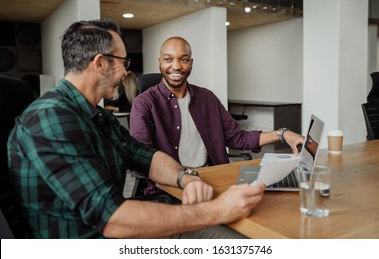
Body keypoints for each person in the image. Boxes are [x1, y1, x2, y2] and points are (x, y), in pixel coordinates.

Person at [7, 19, 266, 239]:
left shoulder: (96, 115)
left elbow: (143, 154)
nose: (126, 73)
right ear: (100, 63)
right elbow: (112, 218)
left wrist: (185, 178)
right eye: (123, 62)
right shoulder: (51, 119)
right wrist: (218, 210)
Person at [130, 36, 305, 170]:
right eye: (168, 59)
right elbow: (142, 157)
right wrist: (182, 178)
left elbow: (237, 138)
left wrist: (282, 133)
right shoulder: (144, 104)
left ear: (191, 63)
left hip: (212, 176)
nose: (176, 66)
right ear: (159, 62)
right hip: (170, 186)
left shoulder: (207, 98)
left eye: (183, 59)